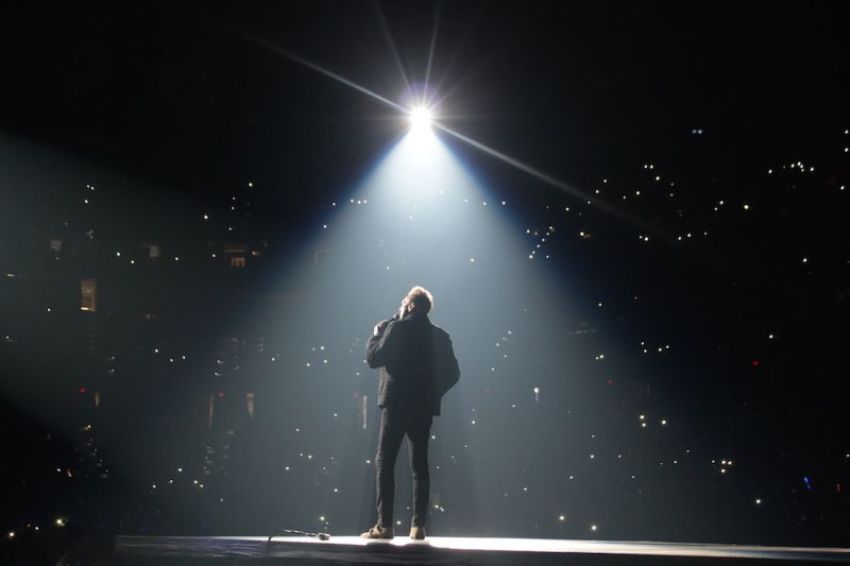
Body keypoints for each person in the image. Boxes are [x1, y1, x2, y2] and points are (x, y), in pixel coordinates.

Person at [361, 286, 460, 540]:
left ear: (412, 305)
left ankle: (385, 526)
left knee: (385, 462)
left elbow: (374, 359)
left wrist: (376, 335)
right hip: (423, 406)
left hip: (395, 404)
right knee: (420, 465)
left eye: (405, 303)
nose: (402, 307)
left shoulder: (397, 328)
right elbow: (454, 373)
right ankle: (418, 527)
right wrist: (433, 393)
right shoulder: (440, 336)